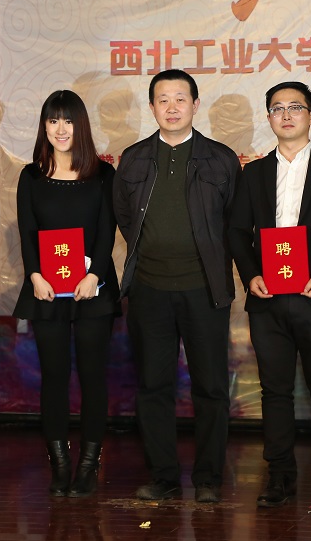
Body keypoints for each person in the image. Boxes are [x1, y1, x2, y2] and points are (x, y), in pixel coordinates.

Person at [227, 81, 311, 509]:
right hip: (267, 298)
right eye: (277, 108)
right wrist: (251, 275)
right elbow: (237, 231)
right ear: (268, 117)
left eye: (295, 107)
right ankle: (280, 475)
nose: (286, 115)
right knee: (274, 391)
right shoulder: (253, 174)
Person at [113, 68, 240, 503]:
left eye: (180, 99)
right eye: (162, 100)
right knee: (153, 386)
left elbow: (233, 222)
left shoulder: (220, 159)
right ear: (152, 107)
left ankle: (208, 479)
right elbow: (125, 218)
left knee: (211, 387)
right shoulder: (133, 159)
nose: (172, 107)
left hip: (205, 289)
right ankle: (164, 476)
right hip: (149, 289)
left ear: (195, 105)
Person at [13, 90, 120, 498]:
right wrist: (35, 275)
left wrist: (94, 274)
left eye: (69, 120)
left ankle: (88, 466)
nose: (61, 129)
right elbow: (28, 231)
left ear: (81, 125)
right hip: (45, 291)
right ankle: (59, 465)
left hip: (93, 290)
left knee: (93, 377)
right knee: (54, 377)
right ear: (44, 126)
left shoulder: (103, 174)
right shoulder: (31, 176)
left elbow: (106, 231)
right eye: (53, 120)